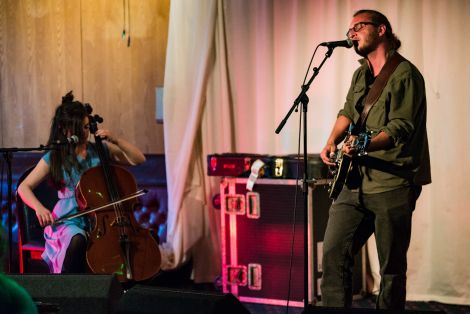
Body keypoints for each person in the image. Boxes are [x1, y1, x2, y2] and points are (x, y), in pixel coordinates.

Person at [319, 10, 431, 310]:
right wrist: (332, 140)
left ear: (381, 30)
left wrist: (365, 143)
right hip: (355, 182)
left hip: (393, 183)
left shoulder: (405, 74)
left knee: (391, 270)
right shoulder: (360, 74)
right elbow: (347, 111)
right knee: (333, 254)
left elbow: (400, 129)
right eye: (349, 29)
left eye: (358, 26)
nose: (351, 33)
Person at [18, 91, 146, 274]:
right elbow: (24, 187)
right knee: (77, 239)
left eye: (86, 127)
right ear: (63, 129)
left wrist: (116, 140)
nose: (84, 133)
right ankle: (70, 290)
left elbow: (138, 159)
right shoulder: (55, 157)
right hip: (69, 221)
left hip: (100, 219)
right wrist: (39, 208)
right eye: (79, 128)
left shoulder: (100, 150)